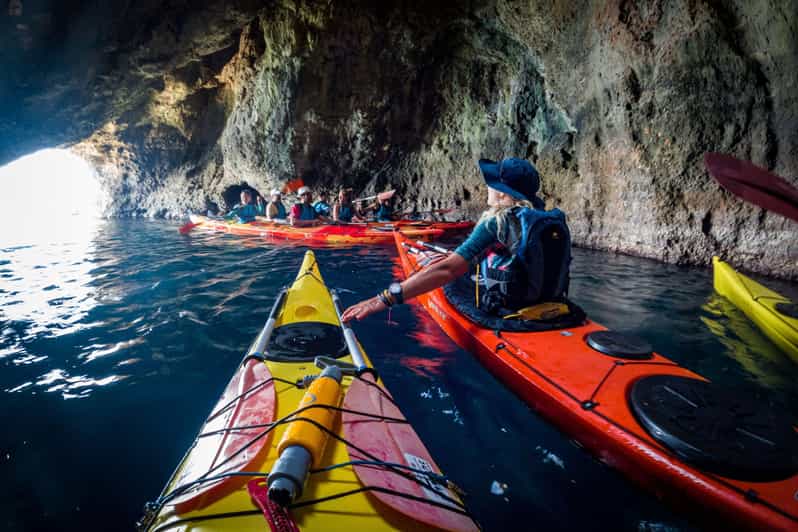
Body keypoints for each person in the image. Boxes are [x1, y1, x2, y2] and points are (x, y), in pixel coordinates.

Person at [342, 157, 571, 322]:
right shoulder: (545, 218)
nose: (487, 187)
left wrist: (383, 299)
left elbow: (448, 270)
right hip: (551, 306)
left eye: (491, 183)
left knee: (453, 280)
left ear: (502, 192)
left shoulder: (498, 221)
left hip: (510, 312)